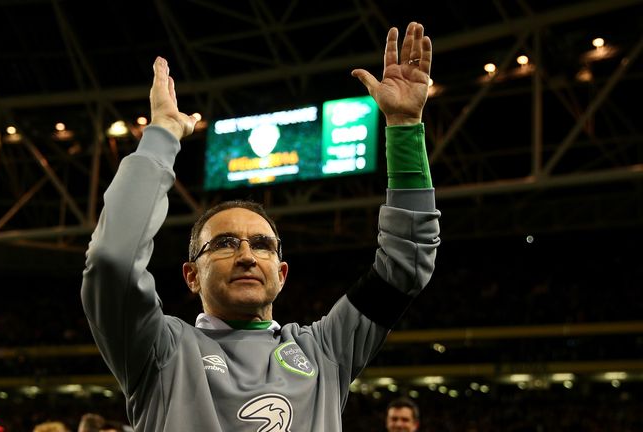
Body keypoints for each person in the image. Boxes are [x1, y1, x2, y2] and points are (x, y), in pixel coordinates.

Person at [81, 21, 439, 431]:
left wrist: (406, 129)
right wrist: (162, 135)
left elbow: (407, 261)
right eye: (225, 243)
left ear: (282, 273)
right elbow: (113, 258)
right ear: (191, 275)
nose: (247, 255)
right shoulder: (159, 350)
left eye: (263, 245)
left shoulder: (326, 350)